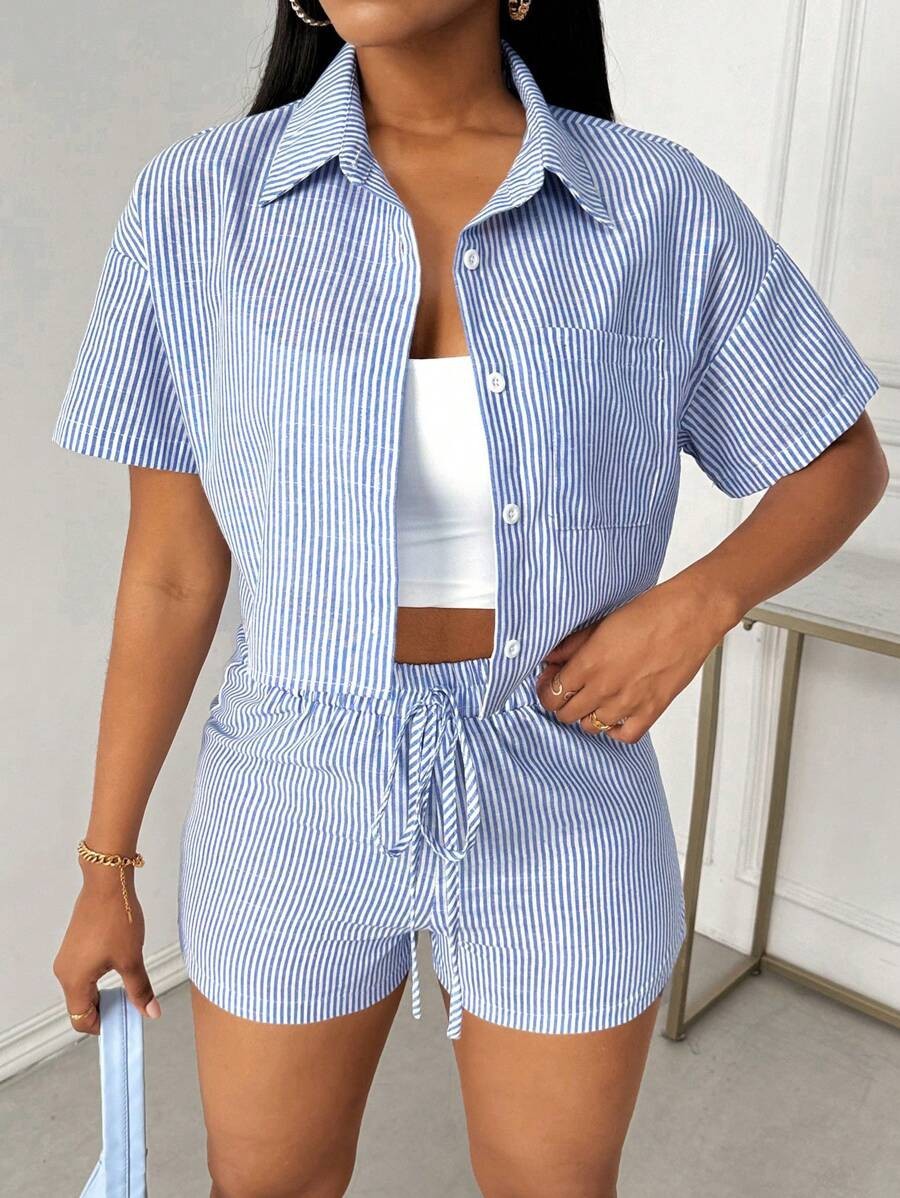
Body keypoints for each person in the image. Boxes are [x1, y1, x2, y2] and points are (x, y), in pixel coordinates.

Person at [50, 2, 887, 1195]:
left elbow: (839, 459)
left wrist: (697, 605)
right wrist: (105, 865)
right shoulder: (197, 205)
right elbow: (173, 570)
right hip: (291, 786)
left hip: (564, 778)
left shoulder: (655, 205)